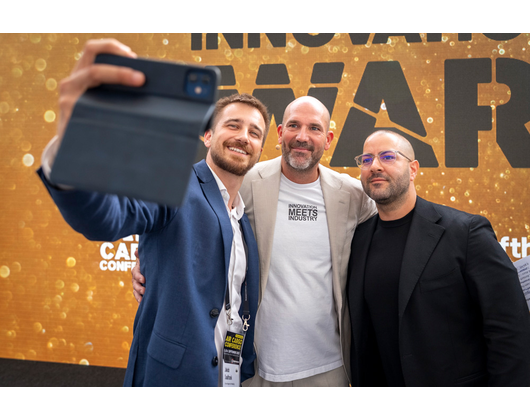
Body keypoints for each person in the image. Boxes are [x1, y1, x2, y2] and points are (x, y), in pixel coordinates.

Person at [37, 39, 271, 387]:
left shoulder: (242, 215)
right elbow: (104, 218)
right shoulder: (173, 183)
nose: (243, 137)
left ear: (260, 149)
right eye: (233, 125)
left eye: (254, 132)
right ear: (207, 135)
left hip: (229, 374)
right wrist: (73, 149)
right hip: (172, 376)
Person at [134, 95, 377, 386]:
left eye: (314, 128)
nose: (302, 136)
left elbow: (388, 234)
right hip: (254, 365)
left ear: (328, 139)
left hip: (327, 366)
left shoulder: (352, 195)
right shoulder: (243, 179)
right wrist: (145, 260)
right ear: (280, 134)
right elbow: (184, 216)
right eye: (293, 126)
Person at [347, 129, 530, 387]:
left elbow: (510, 328)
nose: (374, 166)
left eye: (387, 157)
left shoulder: (466, 233)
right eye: (366, 160)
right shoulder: (358, 239)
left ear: (413, 169)